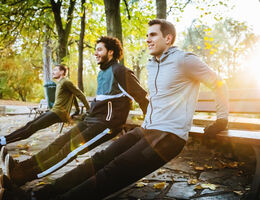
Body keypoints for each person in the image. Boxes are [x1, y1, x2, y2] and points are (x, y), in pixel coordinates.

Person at [0, 19, 228, 200]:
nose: (147, 39)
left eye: (153, 35)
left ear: (168, 38)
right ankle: (39, 194)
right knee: (97, 159)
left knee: (113, 171)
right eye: (147, 35)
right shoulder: (153, 63)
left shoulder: (184, 60)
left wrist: (222, 120)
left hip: (168, 136)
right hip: (147, 129)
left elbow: (218, 83)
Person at [0, 36, 148, 190]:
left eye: (99, 50)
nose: (96, 53)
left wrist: (149, 124)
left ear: (110, 52)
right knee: (58, 143)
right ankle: (21, 167)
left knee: (68, 151)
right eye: (95, 50)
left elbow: (143, 98)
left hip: (106, 125)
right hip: (91, 120)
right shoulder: (103, 72)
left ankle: (24, 177)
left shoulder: (120, 71)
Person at [0, 64, 90, 150]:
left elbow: (80, 94)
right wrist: (77, 110)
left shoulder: (66, 82)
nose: (53, 72)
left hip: (58, 113)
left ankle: (3, 141)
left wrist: (89, 110)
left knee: (32, 127)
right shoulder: (60, 83)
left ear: (62, 72)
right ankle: (4, 139)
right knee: (30, 125)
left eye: (55, 70)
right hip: (55, 111)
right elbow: (73, 95)